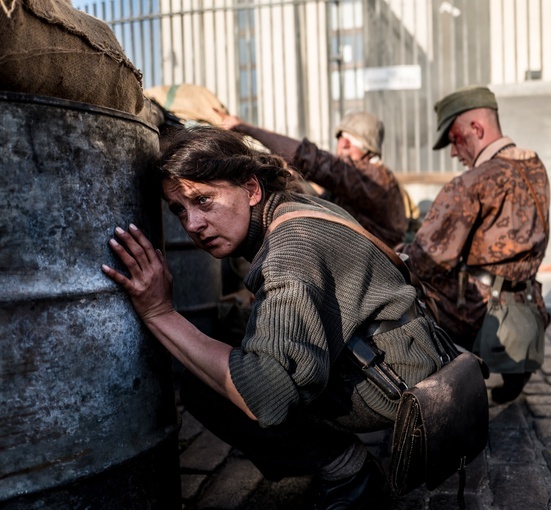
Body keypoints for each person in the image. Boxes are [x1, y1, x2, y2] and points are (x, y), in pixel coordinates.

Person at [101, 126, 447, 509]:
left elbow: (264, 395)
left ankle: (350, 473)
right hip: (407, 353)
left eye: (204, 200)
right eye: (180, 210)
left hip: (396, 386)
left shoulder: (290, 248)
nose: (192, 225)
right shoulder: (292, 206)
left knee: (209, 390)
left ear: (251, 190)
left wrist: (159, 313)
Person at [399, 85, 551, 404]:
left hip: (480, 311)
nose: (454, 152)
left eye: (454, 139)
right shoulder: (535, 166)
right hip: (528, 301)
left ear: (476, 129)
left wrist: (400, 258)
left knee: (406, 286)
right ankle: (514, 371)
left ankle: (433, 390)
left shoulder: (472, 182)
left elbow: (427, 259)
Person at [217, 110, 409, 248]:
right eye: (340, 140)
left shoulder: (374, 178)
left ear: (370, 150)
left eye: (350, 143)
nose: (342, 147)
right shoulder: (351, 185)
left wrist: (244, 128)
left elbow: (310, 159)